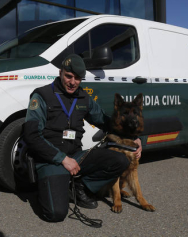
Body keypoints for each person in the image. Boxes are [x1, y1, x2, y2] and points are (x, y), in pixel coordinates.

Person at [23, 54, 142, 222]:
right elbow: (31, 135)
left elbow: (107, 122)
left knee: (121, 161)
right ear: (60, 72)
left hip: (77, 156)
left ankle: (78, 187)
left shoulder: (84, 98)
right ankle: (50, 185)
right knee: (55, 214)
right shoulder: (42, 95)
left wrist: (134, 138)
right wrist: (62, 159)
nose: (73, 82)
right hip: (51, 160)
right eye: (68, 76)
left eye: (78, 78)